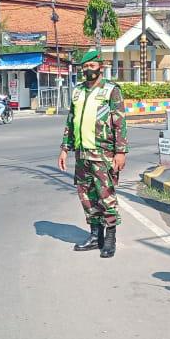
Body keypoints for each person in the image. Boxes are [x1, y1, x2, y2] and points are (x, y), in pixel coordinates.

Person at [57, 50, 128, 258]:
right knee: (86, 196)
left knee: (106, 196)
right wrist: (64, 148)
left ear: (100, 67)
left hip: (103, 153)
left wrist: (120, 152)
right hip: (82, 154)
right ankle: (95, 235)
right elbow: (71, 121)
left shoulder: (111, 90)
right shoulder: (78, 91)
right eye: (84, 67)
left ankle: (110, 238)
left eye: (92, 66)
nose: (88, 69)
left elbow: (120, 123)